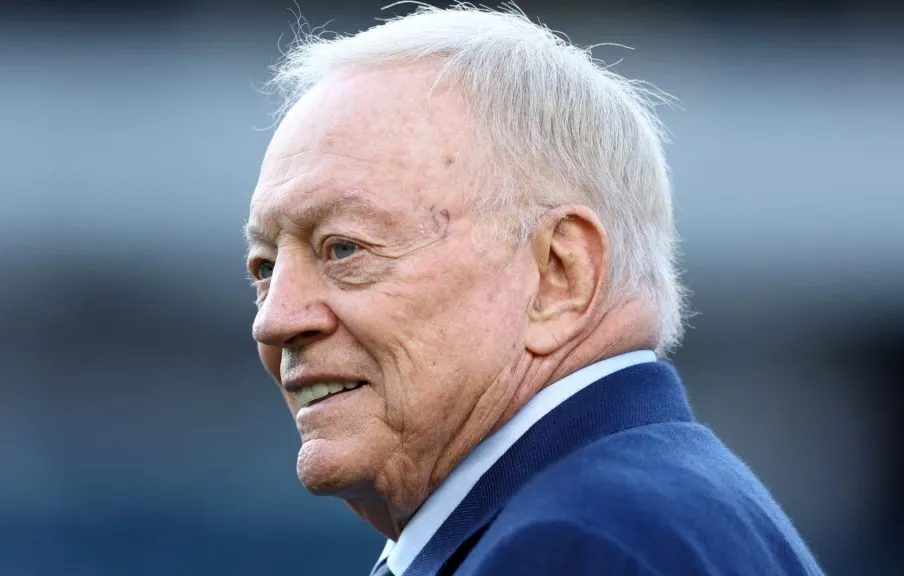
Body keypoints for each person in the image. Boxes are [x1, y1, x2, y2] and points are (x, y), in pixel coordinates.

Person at [243, 4, 826, 575]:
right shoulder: (627, 515)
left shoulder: (577, 546)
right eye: (265, 267)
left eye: (344, 248)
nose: (274, 319)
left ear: (558, 276)